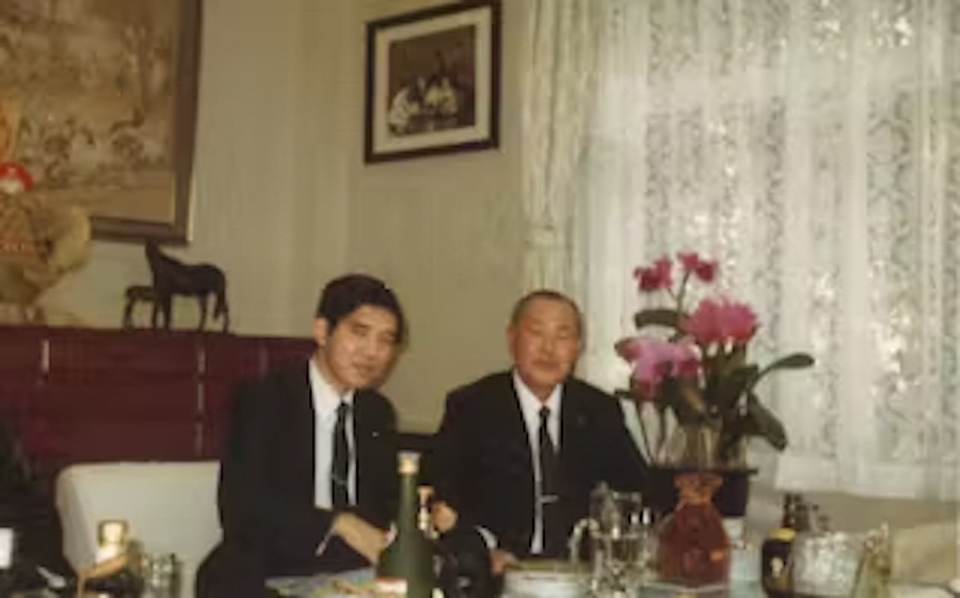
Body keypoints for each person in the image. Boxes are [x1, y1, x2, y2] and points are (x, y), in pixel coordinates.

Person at [196, 274, 407, 598]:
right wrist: (337, 523)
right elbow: (242, 509)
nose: (372, 352)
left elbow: (384, 505)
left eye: (385, 340)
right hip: (270, 561)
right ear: (322, 331)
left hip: (350, 570)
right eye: (359, 333)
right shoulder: (265, 400)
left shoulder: (376, 412)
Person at [430, 290, 649, 571]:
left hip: (578, 572)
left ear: (577, 348)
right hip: (501, 570)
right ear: (512, 338)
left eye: (562, 336)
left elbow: (637, 491)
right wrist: (483, 552)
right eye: (536, 333)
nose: (548, 349)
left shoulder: (598, 409)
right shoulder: (472, 407)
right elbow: (442, 496)